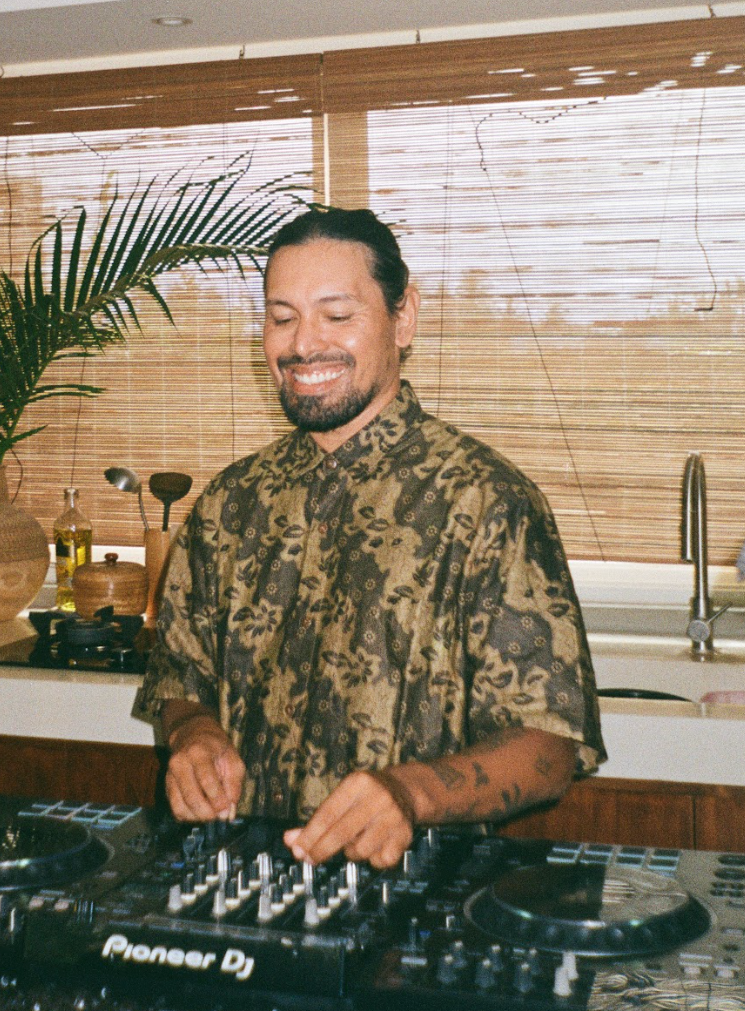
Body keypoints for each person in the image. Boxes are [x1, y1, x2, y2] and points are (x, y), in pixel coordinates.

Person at [135, 207, 603, 869]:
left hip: (420, 891)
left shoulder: (486, 502)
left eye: (336, 314)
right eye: (282, 317)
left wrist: (408, 793)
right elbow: (181, 678)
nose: (303, 345)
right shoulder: (229, 503)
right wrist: (193, 733)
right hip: (242, 879)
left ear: (402, 317)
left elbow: (549, 749)